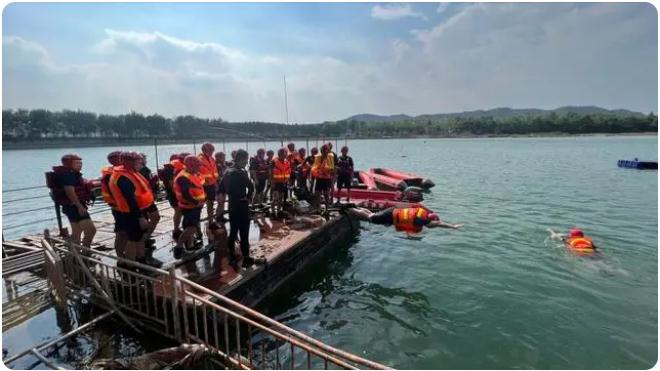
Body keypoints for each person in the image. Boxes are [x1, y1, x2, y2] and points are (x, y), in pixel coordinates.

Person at [108, 152, 158, 268]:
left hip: (138, 209)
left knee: (139, 237)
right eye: (136, 161)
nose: (139, 163)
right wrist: (140, 217)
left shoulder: (131, 173)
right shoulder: (123, 177)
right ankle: (131, 266)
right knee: (133, 239)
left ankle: (141, 260)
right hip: (130, 213)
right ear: (128, 162)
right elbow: (130, 200)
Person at [218, 149, 264, 268]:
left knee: (233, 232)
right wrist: (248, 198)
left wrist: (222, 201)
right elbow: (251, 186)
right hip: (242, 205)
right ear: (241, 159)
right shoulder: (240, 172)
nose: (247, 163)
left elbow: (221, 189)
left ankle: (232, 255)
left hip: (232, 205)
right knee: (244, 233)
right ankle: (246, 258)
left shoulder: (227, 172)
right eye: (246, 160)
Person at [47, 154, 97, 248]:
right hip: (74, 207)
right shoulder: (68, 175)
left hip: (69, 207)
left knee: (76, 232)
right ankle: (85, 252)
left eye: (80, 163)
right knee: (91, 230)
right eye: (77, 163)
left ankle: (75, 255)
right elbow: (70, 192)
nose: (80, 165)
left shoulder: (69, 173)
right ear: (69, 164)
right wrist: (79, 207)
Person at [173, 155, 206, 259]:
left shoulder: (191, 174)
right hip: (190, 207)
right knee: (191, 228)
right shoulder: (184, 177)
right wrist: (196, 202)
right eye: (197, 166)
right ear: (191, 165)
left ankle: (190, 246)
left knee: (190, 227)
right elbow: (185, 193)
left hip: (194, 206)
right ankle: (178, 248)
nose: (199, 168)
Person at [348, 206, 463, 236]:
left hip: (392, 212)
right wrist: (452, 227)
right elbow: (438, 224)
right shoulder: (422, 220)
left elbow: (437, 223)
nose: (432, 226)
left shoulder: (423, 213)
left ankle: (355, 208)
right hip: (391, 216)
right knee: (370, 218)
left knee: (372, 215)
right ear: (430, 221)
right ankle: (349, 208)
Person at [101, 151, 127, 258]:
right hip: (119, 208)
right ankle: (120, 256)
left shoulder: (118, 173)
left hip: (123, 207)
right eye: (122, 158)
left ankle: (123, 253)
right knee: (121, 232)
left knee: (125, 232)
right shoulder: (111, 176)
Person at [159, 153, 185, 238]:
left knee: (179, 212)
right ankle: (176, 230)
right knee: (178, 211)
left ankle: (177, 228)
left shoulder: (172, 168)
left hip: (174, 193)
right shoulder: (170, 169)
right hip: (174, 194)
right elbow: (171, 183)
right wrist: (177, 195)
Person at [198, 143, 219, 222]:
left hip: (211, 185)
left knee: (210, 204)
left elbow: (215, 172)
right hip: (202, 186)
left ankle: (211, 221)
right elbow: (197, 173)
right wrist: (203, 182)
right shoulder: (199, 159)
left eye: (212, 150)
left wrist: (215, 183)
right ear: (204, 150)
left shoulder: (212, 159)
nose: (211, 152)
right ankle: (197, 227)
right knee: (200, 206)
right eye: (210, 150)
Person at [311, 144, 334, 211]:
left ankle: (327, 209)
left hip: (327, 179)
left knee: (326, 194)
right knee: (317, 193)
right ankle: (319, 208)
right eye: (323, 151)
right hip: (320, 178)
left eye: (326, 150)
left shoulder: (330, 157)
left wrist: (325, 170)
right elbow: (314, 168)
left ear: (328, 151)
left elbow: (331, 167)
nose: (324, 152)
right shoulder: (318, 157)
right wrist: (319, 171)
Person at [270, 148, 291, 217]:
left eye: (285, 153)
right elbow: (270, 172)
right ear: (279, 154)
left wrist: (287, 181)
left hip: (283, 182)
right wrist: (272, 182)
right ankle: (272, 212)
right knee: (275, 198)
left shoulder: (286, 162)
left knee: (281, 198)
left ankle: (279, 211)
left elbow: (288, 171)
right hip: (276, 182)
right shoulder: (274, 161)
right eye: (283, 153)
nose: (284, 155)